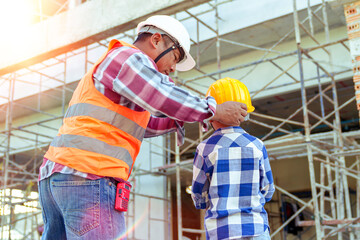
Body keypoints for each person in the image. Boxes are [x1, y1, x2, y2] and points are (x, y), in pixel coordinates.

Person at [38, 16, 248, 240]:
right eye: (174, 57)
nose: (173, 68)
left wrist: (184, 118)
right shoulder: (129, 58)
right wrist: (213, 110)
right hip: (89, 176)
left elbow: (142, 124)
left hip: (59, 177)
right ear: (156, 40)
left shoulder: (119, 69)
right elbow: (161, 94)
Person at [191, 77, 275, 240]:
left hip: (221, 232)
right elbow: (268, 188)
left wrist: (206, 203)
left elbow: (198, 194)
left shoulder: (205, 149)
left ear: (211, 115)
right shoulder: (257, 145)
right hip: (256, 229)